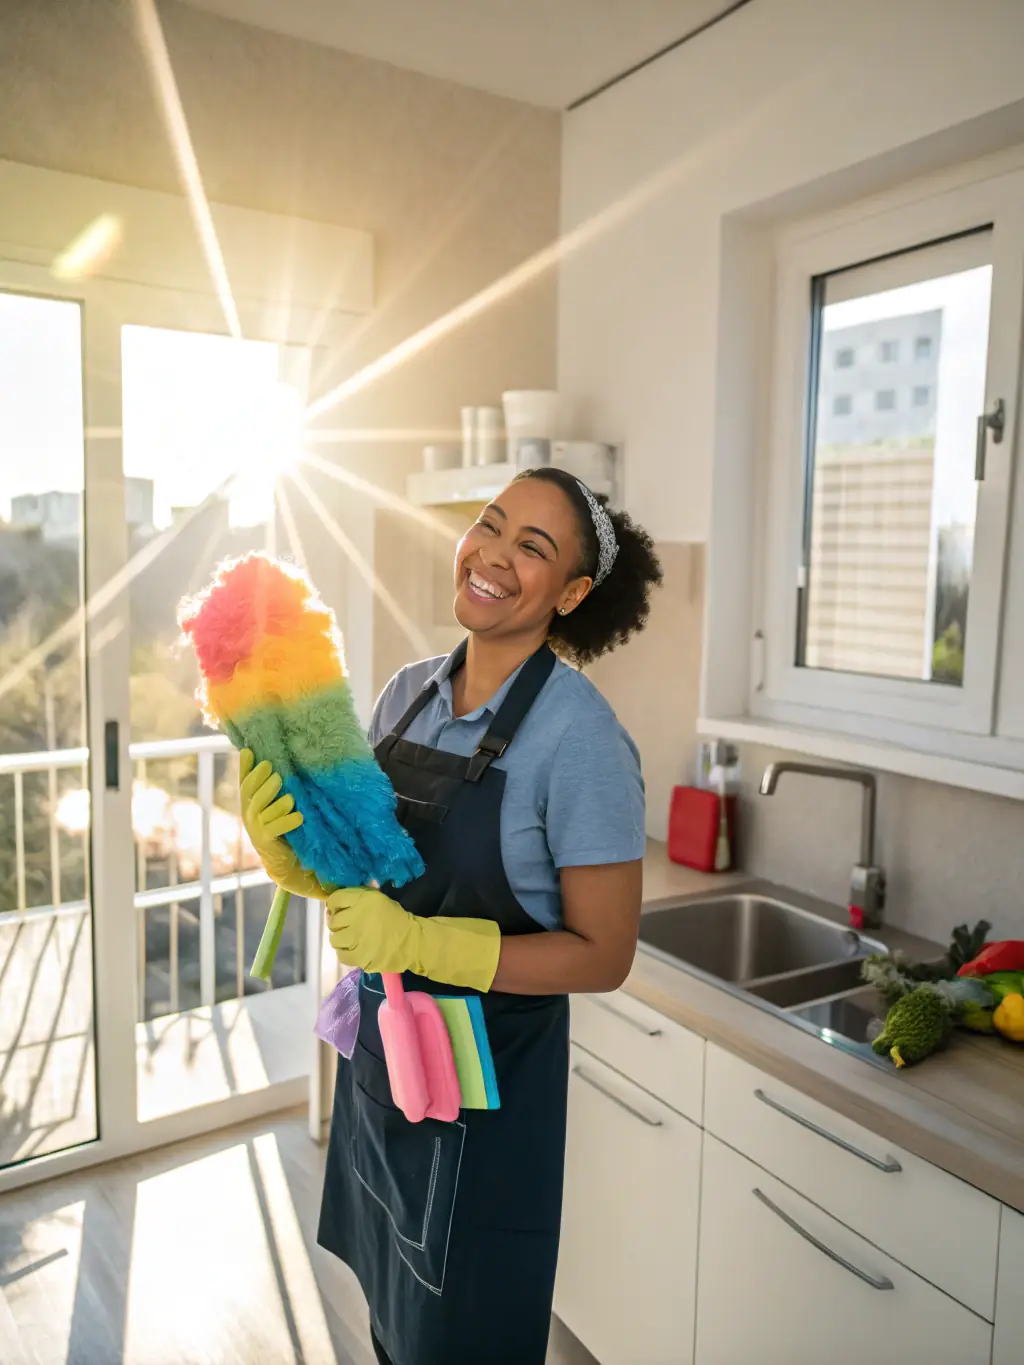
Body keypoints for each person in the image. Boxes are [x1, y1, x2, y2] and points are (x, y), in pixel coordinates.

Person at [240, 466, 662, 1365]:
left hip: (487, 1101)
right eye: (491, 525)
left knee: (466, 1335)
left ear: (574, 593)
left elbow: (606, 953)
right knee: (393, 1323)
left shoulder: (581, 740)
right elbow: (371, 877)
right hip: (388, 1073)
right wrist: (294, 860)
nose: (495, 556)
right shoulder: (407, 697)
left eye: (534, 548)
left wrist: (427, 943)